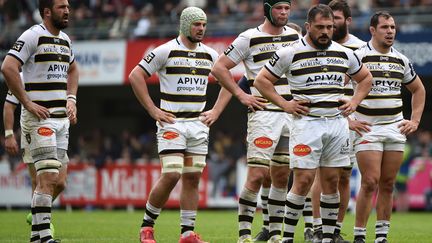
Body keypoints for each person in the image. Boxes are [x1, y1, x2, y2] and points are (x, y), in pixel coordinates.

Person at [254, 4, 372, 243]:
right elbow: (261, 80)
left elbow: (366, 78)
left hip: (337, 125)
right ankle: (287, 237)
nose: (325, 32)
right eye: (320, 27)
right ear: (308, 26)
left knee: (332, 181)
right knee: (304, 180)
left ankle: (328, 237)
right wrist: (285, 104)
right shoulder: (290, 51)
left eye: (330, 27)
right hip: (306, 124)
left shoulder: (344, 52)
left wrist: (354, 101)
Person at [210, 1, 301, 242]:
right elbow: (219, 67)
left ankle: (273, 234)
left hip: (291, 114)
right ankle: (244, 235)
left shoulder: (295, 35)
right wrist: (241, 94)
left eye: (286, 9)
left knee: (282, 176)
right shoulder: (249, 37)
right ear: (267, 9)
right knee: (257, 175)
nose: (283, 13)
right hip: (263, 115)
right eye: (279, 8)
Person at [129, 6, 218, 243]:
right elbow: (135, 76)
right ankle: (147, 227)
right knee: (171, 174)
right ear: (185, 24)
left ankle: (187, 233)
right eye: (196, 24)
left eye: (204, 24)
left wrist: (217, 110)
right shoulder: (165, 50)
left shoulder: (210, 54)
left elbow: (229, 81)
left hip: (198, 125)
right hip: (172, 123)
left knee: (192, 177)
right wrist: (152, 109)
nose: (201, 29)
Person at [1, 0, 78, 242]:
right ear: (47, 11)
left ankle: (36, 234)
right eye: (61, 7)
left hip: (60, 121)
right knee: (46, 178)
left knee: (60, 181)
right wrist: (27, 102)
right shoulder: (33, 35)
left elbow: (73, 70)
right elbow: (8, 66)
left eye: (67, 6)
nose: (67, 10)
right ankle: (44, 237)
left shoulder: (65, 40)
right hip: (39, 120)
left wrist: (72, 99)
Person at [352, 11, 425, 243]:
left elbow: (419, 90)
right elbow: (339, 88)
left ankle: (381, 235)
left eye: (393, 27)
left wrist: (414, 120)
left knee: (388, 183)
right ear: (372, 30)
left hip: (395, 127)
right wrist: (348, 119)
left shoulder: (401, 59)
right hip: (367, 127)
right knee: (370, 181)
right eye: (385, 27)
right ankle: (359, 235)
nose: (390, 31)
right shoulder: (357, 56)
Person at [309, 1, 367, 242]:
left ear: (347, 21)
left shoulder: (360, 48)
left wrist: (352, 114)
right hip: (323, 120)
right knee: (319, 176)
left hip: (352, 122)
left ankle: (335, 229)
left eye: (337, 19)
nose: (331, 25)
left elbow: (364, 84)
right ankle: (315, 226)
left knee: (343, 175)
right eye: (327, 20)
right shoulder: (313, 46)